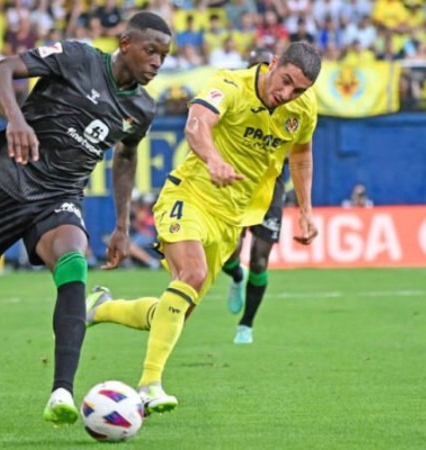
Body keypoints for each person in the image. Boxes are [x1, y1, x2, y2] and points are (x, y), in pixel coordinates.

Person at [0, 12, 172, 427]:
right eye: (150, 51)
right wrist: (15, 119)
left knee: (73, 260)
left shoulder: (142, 107)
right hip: (10, 183)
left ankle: (61, 392)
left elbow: (126, 155)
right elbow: (0, 69)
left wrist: (122, 225)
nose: (157, 62)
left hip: (60, 196)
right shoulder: (77, 57)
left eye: (164, 56)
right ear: (125, 44)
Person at [86, 42, 322, 414]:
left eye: (299, 90)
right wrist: (213, 159)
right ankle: (149, 385)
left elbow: (301, 154)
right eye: (286, 81)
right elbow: (196, 123)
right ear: (273, 63)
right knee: (191, 274)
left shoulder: (303, 109)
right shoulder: (230, 84)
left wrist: (306, 209)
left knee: (173, 311)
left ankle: (101, 308)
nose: (287, 94)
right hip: (191, 196)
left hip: (232, 219)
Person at [221, 47, 288, 345]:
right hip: (235, 184)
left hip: (270, 188)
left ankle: (245, 325)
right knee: (226, 255)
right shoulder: (236, 95)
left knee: (259, 261)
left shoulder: (289, 104)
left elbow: (300, 150)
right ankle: (236, 276)